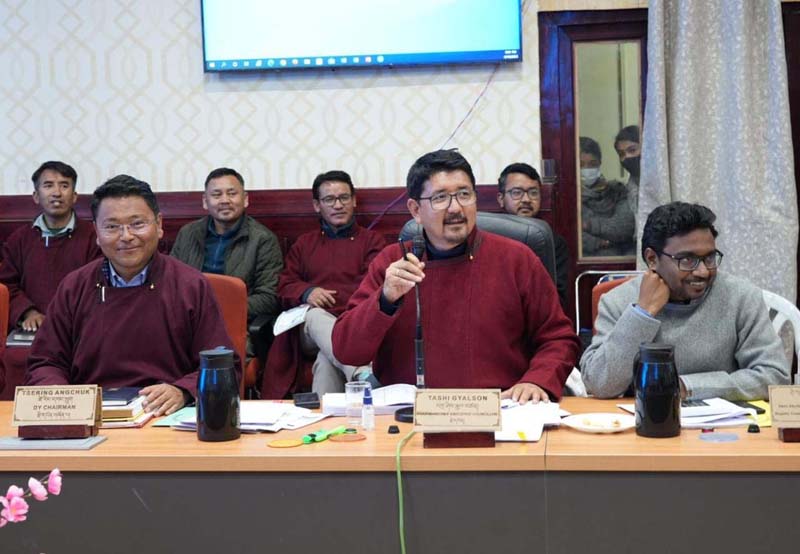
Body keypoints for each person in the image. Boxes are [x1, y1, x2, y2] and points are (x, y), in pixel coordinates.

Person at [332, 150, 580, 403]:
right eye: (440, 198)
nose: (456, 208)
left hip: (500, 409)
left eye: (464, 194)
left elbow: (558, 338)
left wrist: (536, 380)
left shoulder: (517, 259)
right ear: (416, 210)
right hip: (409, 412)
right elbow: (347, 351)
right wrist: (385, 299)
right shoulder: (392, 262)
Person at [26, 175, 238, 416]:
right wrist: (61, 399)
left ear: (159, 225)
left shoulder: (190, 285)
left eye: (137, 224)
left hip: (163, 415)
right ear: (96, 232)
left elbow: (222, 365)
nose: (126, 236)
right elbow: (45, 362)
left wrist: (182, 391)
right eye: (112, 226)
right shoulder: (74, 287)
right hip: (90, 416)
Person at [580, 202, 789, 401]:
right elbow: (599, 383)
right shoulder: (618, 301)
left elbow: (775, 376)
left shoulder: (741, 297)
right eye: (687, 260)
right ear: (652, 259)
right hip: (644, 421)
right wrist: (642, 314)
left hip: (726, 424)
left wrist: (686, 386)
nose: (703, 271)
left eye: (709, 258)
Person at [261, 170, 386, 398]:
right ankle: (360, 373)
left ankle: (324, 417)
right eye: (329, 199)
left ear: (354, 201)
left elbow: (373, 286)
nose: (338, 205)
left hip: (354, 324)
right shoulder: (304, 244)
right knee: (314, 315)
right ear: (317, 205)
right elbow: (284, 285)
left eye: (344, 198)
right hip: (309, 331)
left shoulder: (372, 242)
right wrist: (307, 292)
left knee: (326, 360)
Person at [171, 167, 283, 355]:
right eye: (217, 195)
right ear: (205, 201)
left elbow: (269, 298)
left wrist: (215, 309)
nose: (225, 200)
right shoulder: (188, 234)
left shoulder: (263, 240)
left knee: (218, 360)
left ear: (245, 199)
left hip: (235, 326)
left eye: (232, 193)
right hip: (187, 324)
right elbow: (171, 283)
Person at [0, 161, 101, 333]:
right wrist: (28, 312)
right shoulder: (19, 239)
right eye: (48, 185)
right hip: (32, 328)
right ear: (36, 196)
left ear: (74, 196)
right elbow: (6, 285)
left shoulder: (94, 237)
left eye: (64, 186)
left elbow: (99, 285)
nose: (57, 193)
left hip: (79, 327)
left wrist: (69, 319)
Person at [496, 162, 570, 307]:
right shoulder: (488, 239)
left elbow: (558, 299)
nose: (526, 199)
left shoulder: (554, 243)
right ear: (501, 199)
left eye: (533, 193)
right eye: (517, 192)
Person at [580, 136, 636, 257]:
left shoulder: (617, 191)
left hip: (623, 256)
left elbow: (623, 227)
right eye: (581, 165)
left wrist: (587, 225)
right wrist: (599, 242)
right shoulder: (569, 197)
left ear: (600, 163)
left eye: (592, 164)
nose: (587, 169)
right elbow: (574, 234)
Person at [614, 125, 641, 215]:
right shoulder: (625, 192)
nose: (627, 156)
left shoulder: (664, 183)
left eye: (632, 150)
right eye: (621, 154)